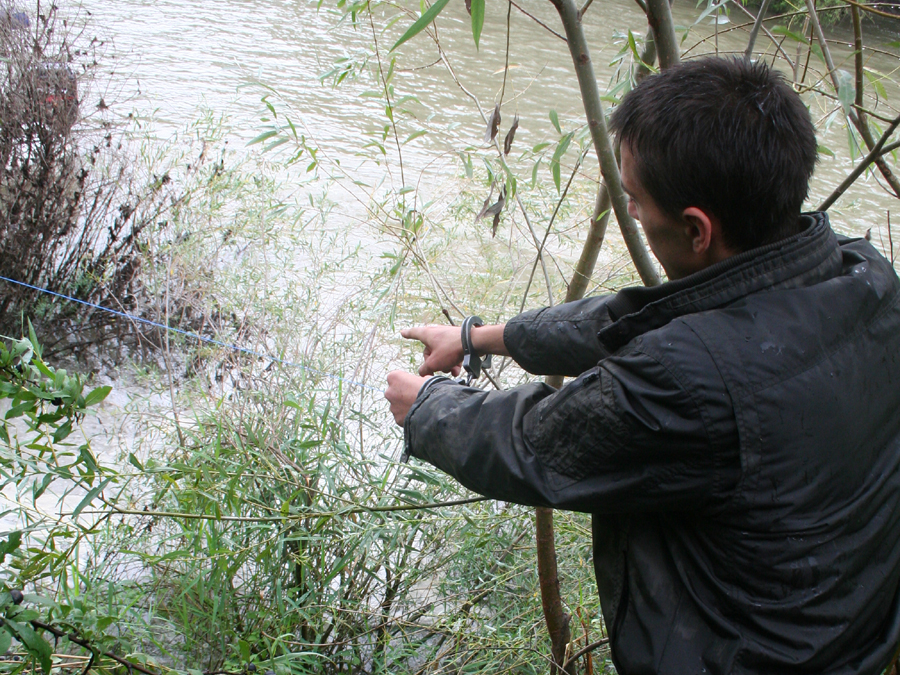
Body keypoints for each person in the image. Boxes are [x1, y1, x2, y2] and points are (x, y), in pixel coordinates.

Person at [385, 56, 900, 674]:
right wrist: (477, 338)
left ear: (696, 230)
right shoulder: (864, 275)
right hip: (852, 639)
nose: (629, 210)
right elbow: (633, 319)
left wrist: (426, 407)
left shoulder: (690, 379)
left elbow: (533, 444)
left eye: (634, 199)